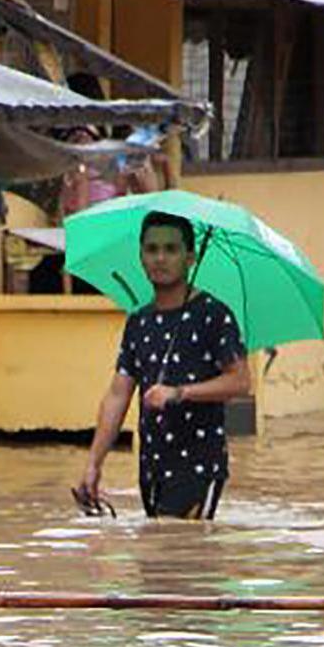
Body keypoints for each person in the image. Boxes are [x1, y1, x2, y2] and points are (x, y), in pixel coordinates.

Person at [74, 210, 253, 520]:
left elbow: (239, 381)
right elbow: (118, 394)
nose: (160, 258)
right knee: (158, 561)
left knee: (181, 555)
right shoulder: (139, 322)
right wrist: (94, 463)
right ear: (141, 257)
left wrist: (178, 392)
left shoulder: (213, 315)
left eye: (171, 249)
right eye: (152, 249)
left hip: (199, 465)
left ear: (190, 257)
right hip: (152, 466)